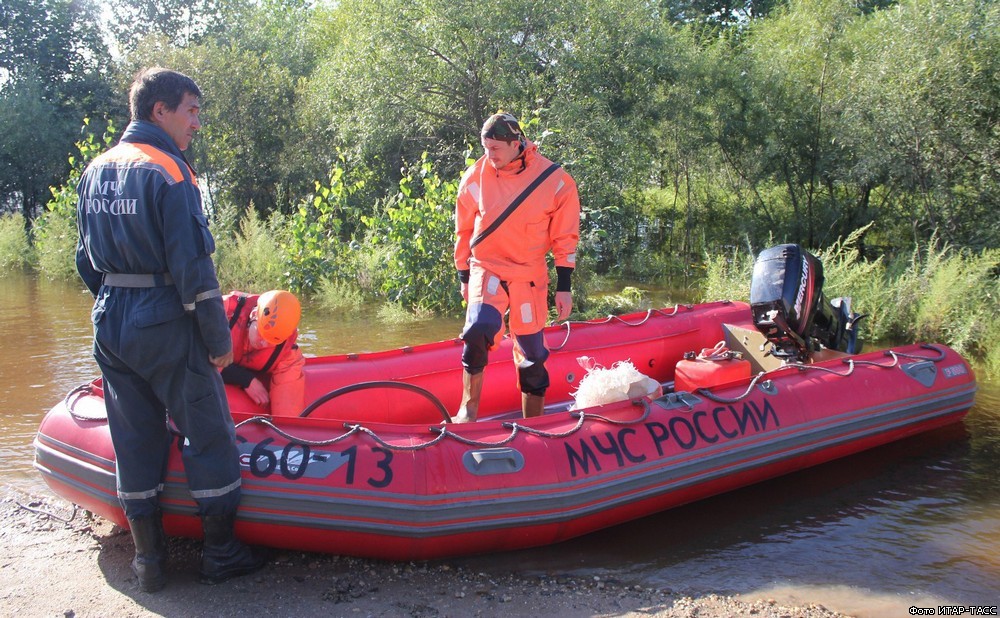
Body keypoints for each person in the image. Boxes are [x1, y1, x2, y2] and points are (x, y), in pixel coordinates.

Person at [75, 67, 264, 591]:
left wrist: (117, 307)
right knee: (208, 431)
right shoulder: (170, 172)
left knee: (134, 435)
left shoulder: (96, 169)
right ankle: (221, 553)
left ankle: (148, 562)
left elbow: (85, 261)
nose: (196, 124)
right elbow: (194, 270)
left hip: (111, 315)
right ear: (160, 111)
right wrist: (218, 340)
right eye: (192, 111)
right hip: (164, 316)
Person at [452, 112, 581, 423]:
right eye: (485, 148)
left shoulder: (556, 181)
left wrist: (564, 286)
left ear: (516, 143)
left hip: (528, 276)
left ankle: (533, 423)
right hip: (488, 266)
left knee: (533, 357)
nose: (489, 155)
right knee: (478, 329)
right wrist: (464, 275)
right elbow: (464, 227)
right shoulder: (476, 175)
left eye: (495, 148)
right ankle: (467, 412)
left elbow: (566, 236)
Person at [221, 290, 306, 416]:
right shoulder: (223, 310)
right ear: (254, 315)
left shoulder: (288, 356)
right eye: (261, 334)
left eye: (270, 341)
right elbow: (191, 353)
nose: (263, 344)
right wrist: (245, 379)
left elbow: (287, 419)